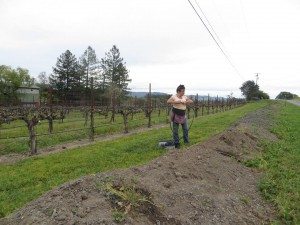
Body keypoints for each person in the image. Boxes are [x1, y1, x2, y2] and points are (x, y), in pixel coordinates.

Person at [167, 84, 193, 149]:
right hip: (175, 115)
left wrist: (186, 102)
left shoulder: (184, 97)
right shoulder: (174, 96)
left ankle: (186, 141)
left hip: (183, 116)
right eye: (182, 91)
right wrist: (176, 102)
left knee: (185, 129)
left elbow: (191, 101)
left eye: (184, 91)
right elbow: (168, 101)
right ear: (178, 91)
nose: (184, 92)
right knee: (175, 131)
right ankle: (177, 143)